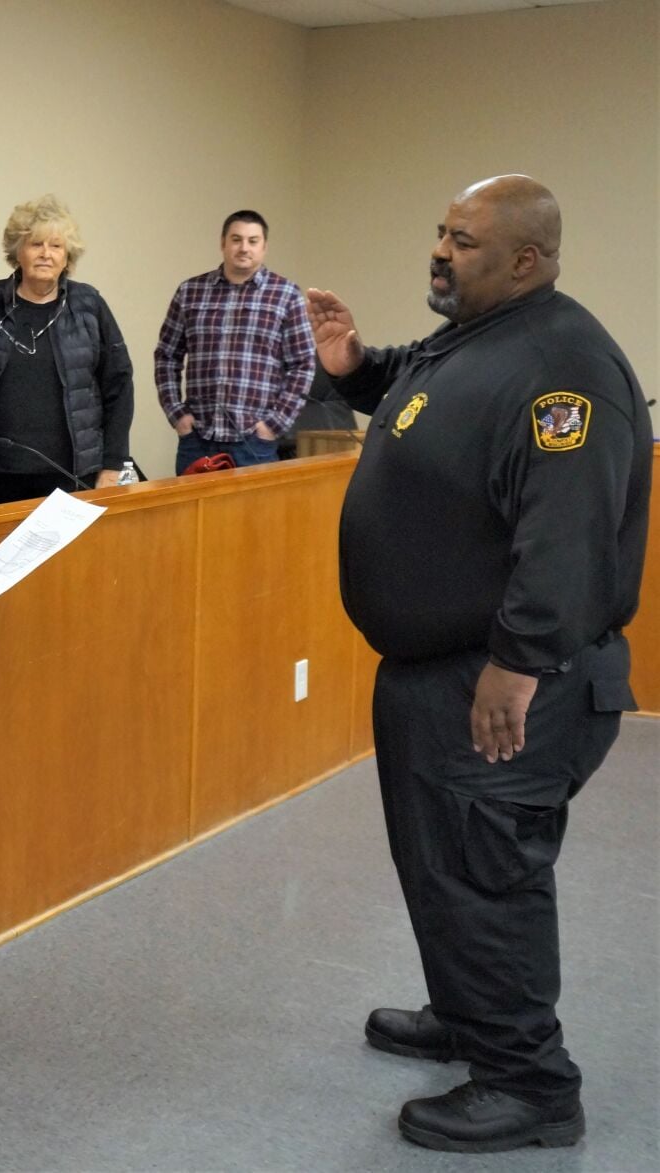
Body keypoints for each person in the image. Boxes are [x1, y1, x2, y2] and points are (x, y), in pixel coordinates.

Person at [308, 175, 649, 1154]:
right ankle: (471, 1016)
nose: (441, 252)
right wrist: (358, 369)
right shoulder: (484, 336)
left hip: (507, 682)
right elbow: (431, 388)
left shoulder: (563, 370)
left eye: (464, 240)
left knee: (487, 870)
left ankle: (531, 1085)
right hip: (436, 670)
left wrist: (518, 662)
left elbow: (568, 539)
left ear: (526, 260)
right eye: (441, 233)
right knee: (443, 866)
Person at [0, 194, 133, 505]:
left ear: (67, 255)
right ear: (18, 251)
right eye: (36, 244)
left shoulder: (89, 305)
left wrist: (113, 464)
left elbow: (119, 384)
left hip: (74, 474)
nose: (46, 254)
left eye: (56, 246)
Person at [155, 210, 315, 474]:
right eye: (236, 239)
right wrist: (177, 414)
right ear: (223, 243)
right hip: (198, 438)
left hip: (253, 442)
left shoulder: (286, 295)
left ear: (264, 247)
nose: (244, 248)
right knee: (191, 515)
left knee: (254, 516)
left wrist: (274, 425)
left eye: (253, 241)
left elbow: (303, 364)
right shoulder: (190, 292)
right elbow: (166, 356)